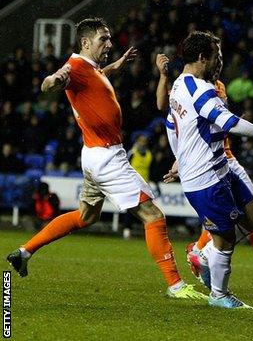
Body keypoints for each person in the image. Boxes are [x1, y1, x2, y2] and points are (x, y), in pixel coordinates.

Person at [6, 18, 207, 301]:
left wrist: (117, 66)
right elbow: (57, 79)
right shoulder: (75, 67)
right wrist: (53, 81)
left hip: (92, 155)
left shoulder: (90, 68)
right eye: (104, 39)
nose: (110, 44)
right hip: (108, 158)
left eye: (110, 38)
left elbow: (96, 75)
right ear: (86, 43)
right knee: (153, 216)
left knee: (87, 216)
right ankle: (176, 285)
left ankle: (25, 252)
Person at [158, 31, 253, 309]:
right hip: (205, 177)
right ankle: (219, 294)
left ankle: (204, 254)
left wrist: (179, 158)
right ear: (201, 58)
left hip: (222, 167)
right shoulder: (200, 89)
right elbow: (228, 122)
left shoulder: (181, 85)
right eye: (216, 56)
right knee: (226, 237)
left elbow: (173, 126)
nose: (220, 61)